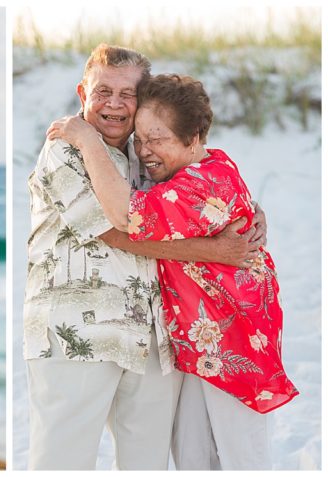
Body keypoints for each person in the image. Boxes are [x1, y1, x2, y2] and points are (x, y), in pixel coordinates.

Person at [23, 44, 267, 470]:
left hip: (153, 338)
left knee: (147, 466)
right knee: (62, 463)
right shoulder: (65, 149)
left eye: (127, 94)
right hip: (78, 334)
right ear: (83, 92)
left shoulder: (147, 153)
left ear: (144, 101)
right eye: (103, 92)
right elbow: (119, 231)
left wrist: (252, 214)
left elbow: (200, 191)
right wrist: (219, 251)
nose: (114, 104)